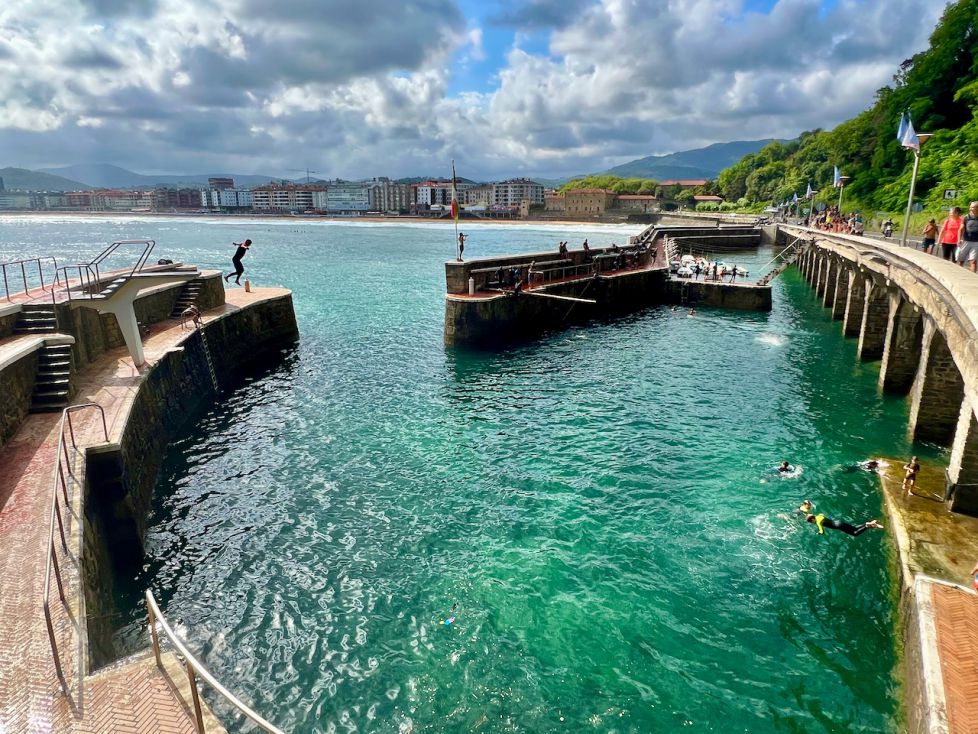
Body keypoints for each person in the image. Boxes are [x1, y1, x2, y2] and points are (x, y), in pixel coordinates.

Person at [806, 514, 883, 537]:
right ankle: (869, 524)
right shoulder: (819, 516)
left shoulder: (818, 523)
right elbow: (822, 514)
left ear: (813, 520)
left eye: (811, 522)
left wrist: (818, 533)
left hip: (839, 526)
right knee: (854, 528)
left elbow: (822, 531)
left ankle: (867, 526)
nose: (812, 523)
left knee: (855, 533)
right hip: (839, 522)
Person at [958, 201, 978, 272]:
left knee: (973, 261)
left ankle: (973, 278)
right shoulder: (966, 217)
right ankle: (959, 274)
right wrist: (959, 240)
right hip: (966, 241)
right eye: (970, 207)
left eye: (972, 207)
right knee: (961, 260)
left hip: (976, 243)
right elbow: (961, 229)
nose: (970, 209)